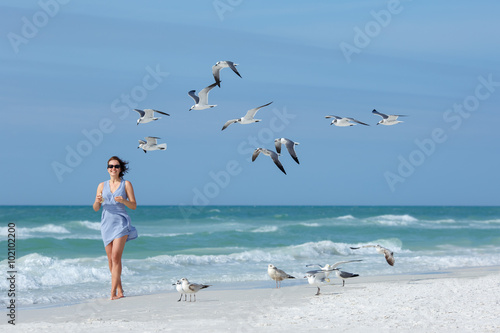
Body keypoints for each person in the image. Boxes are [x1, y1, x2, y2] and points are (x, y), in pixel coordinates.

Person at [93, 156, 138, 300]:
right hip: (106, 224)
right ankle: (120, 290)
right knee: (111, 260)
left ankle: (112, 293)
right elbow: (95, 208)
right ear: (107, 169)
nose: (113, 168)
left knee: (116, 257)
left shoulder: (126, 184)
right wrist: (97, 202)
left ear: (120, 169)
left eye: (116, 166)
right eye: (111, 166)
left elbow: (134, 206)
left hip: (121, 223)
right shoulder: (101, 185)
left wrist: (124, 201)